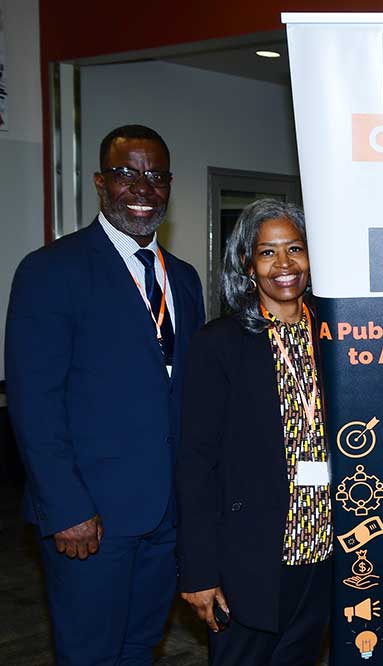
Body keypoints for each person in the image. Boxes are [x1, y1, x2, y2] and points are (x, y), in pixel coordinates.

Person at [5, 124, 205, 664]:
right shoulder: (51, 270)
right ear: (99, 182)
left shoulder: (184, 279)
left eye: (155, 176)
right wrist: (65, 506)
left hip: (166, 515)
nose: (142, 188)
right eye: (126, 174)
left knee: (141, 646)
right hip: (90, 519)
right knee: (90, 653)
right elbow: (34, 401)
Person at [176, 199, 333, 665]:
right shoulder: (219, 344)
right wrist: (199, 571)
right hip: (251, 558)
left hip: (326, 552)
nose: (284, 265)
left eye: (296, 249)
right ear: (247, 264)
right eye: (267, 253)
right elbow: (195, 463)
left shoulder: (339, 336)